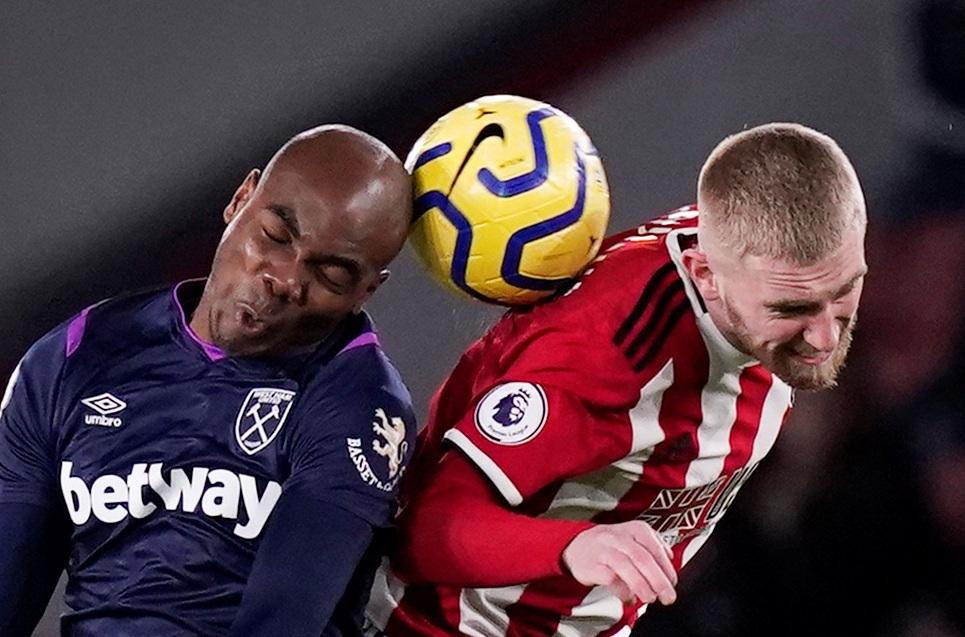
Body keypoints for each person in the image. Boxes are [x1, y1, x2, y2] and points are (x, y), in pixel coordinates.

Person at [366, 123, 868, 636]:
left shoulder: (761, 254)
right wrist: (573, 546)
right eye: (792, 309)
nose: (826, 338)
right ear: (704, 275)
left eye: (847, 290)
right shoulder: (605, 352)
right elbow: (422, 531)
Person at [0, 125, 417, 637]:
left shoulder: (361, 406)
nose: (285, 279)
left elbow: (281, 623)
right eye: (275, 237)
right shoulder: (74, 357)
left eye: (331, 276)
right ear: (241, 199)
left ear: (366, 291)